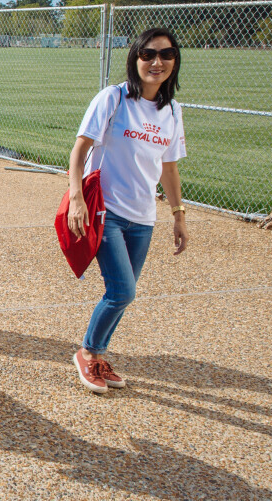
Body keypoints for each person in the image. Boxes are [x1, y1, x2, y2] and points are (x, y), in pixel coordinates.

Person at [67, 27, 188, 394]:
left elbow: (168, 168)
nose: (157, 62)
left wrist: (178, 215)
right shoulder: (114, 98)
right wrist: (76, 197)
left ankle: (99, 355)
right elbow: (80, 149)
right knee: (122, 291)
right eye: (148, 54)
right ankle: (88, 353)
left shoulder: (172, 110)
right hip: (107, 211)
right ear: (135, 57)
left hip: (143, 217)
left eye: (166, 55)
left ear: (174, 62)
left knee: (123, 292)